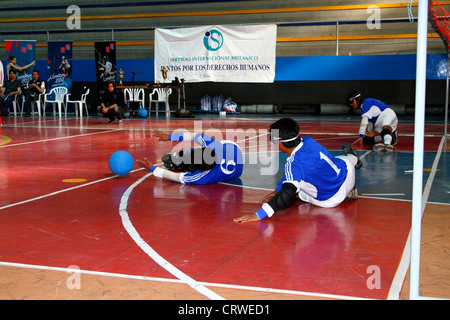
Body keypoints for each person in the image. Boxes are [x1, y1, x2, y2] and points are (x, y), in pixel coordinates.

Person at [234, 118, 361, 223]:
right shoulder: (309, 141)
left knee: (298, 192)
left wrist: (259, 215)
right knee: (343, 159)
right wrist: (278, 190)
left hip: (332, 200)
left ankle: (346, 194)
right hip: (348, 175)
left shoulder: (293, 165)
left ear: (280, 143)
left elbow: (286, 195)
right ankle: (354, 158)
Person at [137, 130, 243, 185]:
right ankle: (185, 159)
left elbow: (177, 177)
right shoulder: (212, 145)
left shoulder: (203, 178)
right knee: (191, 153)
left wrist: (153, 169)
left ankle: (186, 161)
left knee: (190, 154)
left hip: (236, 158)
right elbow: (193, 136)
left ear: (201, 170)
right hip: (234, 150)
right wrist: (170, 137)